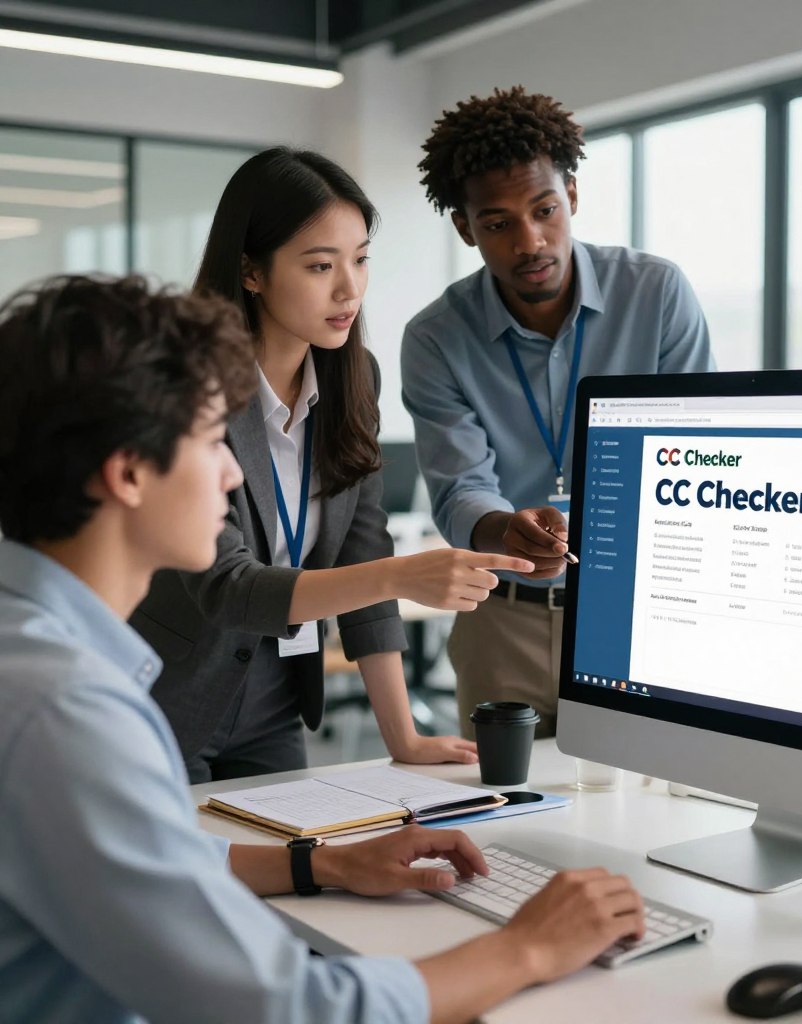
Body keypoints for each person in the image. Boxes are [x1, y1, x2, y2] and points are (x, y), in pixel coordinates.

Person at [0, 274, 646, 1024]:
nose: (233, 471)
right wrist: (526, 948)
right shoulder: (69, 714)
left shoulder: (33, 656)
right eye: (211, 441)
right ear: (129, 473)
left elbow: (140, 868)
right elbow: (288, 1009)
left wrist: (322, 862)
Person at [131, 147, 531, 783]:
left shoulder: (353, 376)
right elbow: (229, 585)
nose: (350, 289)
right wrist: (400, 576)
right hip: (168, 698)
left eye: (361, 259)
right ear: (251, 271)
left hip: (274, 700)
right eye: (321, 266)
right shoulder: (186, 385)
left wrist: (404, 737)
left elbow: (361, 547)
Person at [402, 87, 715, 738]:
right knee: (500, 799)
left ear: (571, 194)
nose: (530, 241)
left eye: (544, 210)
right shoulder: (436, 337)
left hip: (636, 614)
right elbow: (459, 488)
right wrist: (505, 531)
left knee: (645, 795)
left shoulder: (656, 294)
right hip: (502, 620)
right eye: (497, 224)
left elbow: (700, 450)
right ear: (465, 228)